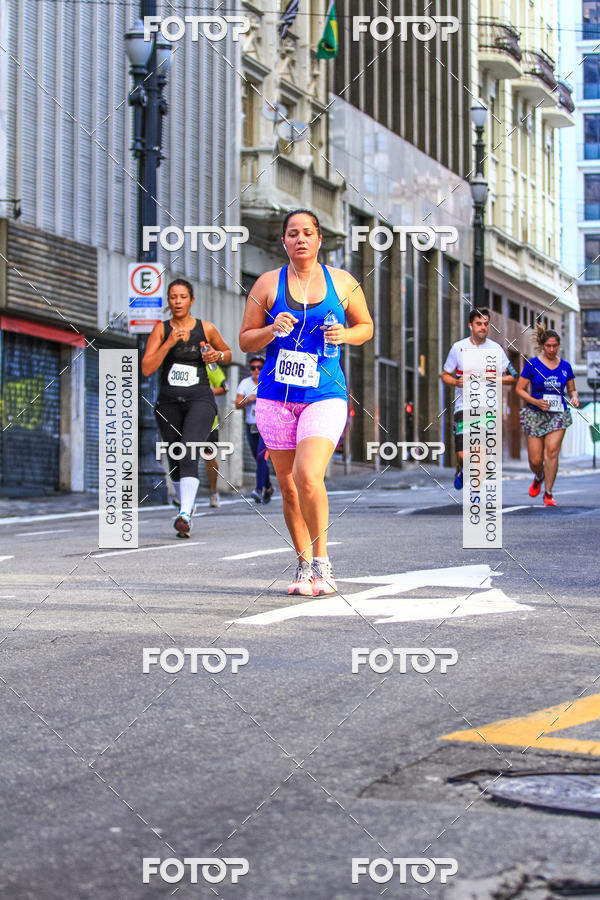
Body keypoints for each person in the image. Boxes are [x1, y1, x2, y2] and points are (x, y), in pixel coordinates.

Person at [239, 209, 373, 596]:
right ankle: (302, 564)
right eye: (293, 233)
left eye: (308, 233)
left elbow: (366, 327)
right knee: (288, 486)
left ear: (318, 240)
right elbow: (246, 339)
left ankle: (323, 561)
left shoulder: (342, 282)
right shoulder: (267, 284)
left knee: (308, 474)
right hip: (275, 398)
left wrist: (345, 335)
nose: (301, 239)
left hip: (325, 394)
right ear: (284, 241)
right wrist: (270, 329)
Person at [142, 278, 231, 536]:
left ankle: (184, 514)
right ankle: (186, 506)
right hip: (168, 402)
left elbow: (228, 354)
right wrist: (169, 343)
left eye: (182, 296)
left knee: (189, 449)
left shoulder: (206, 328)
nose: (177, 301)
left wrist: (217, 355)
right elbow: (147, 367)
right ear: (168, 301)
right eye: (173, 297)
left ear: (191, 300)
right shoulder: (161, 330)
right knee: (175, 457)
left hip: (200, 400)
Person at [441, 308, 515, 490]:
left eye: (486, 324)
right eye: (479, 324)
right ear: (470, 325)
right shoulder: (458, 348)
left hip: (488, 408)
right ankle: (462, 469)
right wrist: (456, 381)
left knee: (480, 451)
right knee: (462, 454)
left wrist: (495, 379)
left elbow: (513, 376)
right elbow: (444, 375)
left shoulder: (496, 349)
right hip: (463, 407)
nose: (483, 327)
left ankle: (476, 494)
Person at [515, 325, 579, 506]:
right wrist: (535, 402)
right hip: (535, 413)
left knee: (551, 452)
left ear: (559, 346)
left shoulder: (566, 367)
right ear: (543, 345)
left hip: (558, 414)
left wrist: (574, 398)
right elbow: (519, 389)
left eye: (555, 346)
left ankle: (548, 493)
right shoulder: (532, 364)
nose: (552, 349)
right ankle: (539, 475)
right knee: (535, 460)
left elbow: (572, 390)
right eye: (549, 346)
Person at [236, 356, 274, 504]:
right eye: (253, 368)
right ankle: (269, 487)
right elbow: (237, 404)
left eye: (259, 367)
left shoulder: (270, 381)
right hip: (251, 425)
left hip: (267, 425)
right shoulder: (245, 383)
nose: (256, 370)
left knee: (261, 457)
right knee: (257, 458)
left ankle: (258, 490)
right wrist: (249, 398)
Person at [205, 364, 229, 508]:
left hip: (208, 420)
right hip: (184, 417)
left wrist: (204, 392)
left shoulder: (209, 365)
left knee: (209, 457)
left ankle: (213, 492)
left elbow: (224, 387)